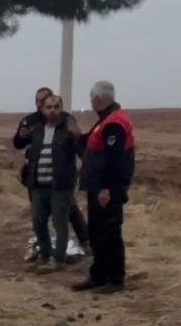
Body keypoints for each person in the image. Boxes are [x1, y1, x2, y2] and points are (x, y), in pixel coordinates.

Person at [13, 85, 90, 258]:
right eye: (39, 102)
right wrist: (27, 172)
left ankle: (73, 248)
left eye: (46, 102)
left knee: (64, 217)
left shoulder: (67, 121)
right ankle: (44, 251)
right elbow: (22, 145)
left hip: (60, 183)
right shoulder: (33, 124)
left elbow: (80, 149)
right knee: (38, 219)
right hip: (37, 182)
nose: (41, 105)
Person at [73, 80, 135, 294]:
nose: (91, 101)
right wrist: (76, 135)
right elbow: (89, 142)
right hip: (97, 188)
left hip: (107, 190)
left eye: (91, 97)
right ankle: (98, 275)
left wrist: (106, 188)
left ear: (98, 98)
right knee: (97, 232)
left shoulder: (114, 123)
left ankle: (115, 279)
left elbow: (113, 158)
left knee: (110, 233)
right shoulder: (105, 120)